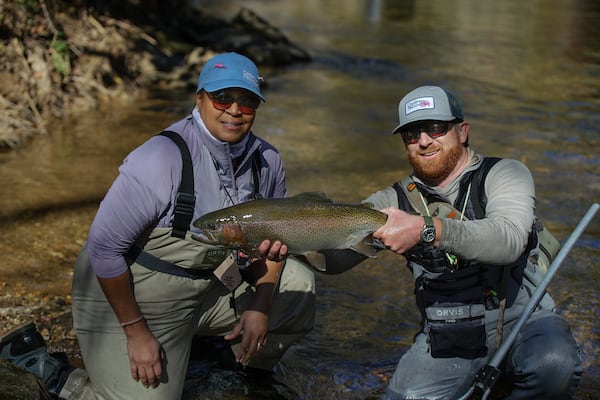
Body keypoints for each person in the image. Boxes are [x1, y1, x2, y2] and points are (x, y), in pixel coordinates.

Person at [1, 52, 316, 400]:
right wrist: (136, 332)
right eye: (222, 97)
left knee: (298, 285)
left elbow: (274, 244)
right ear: (200, 98)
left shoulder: (267, 161)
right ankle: (52, 373)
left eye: (247, 100)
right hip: (138, 294)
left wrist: (260, 306)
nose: (234, 109)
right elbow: (104, 249)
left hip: (206, 286)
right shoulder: (159, 158)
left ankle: (234, 365)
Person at [364, 85, 582, 400]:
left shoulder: (506, 173)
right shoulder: (392, 201)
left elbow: (508, 240)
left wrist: (427, 228)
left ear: (462, 131)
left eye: (436, 128)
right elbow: (339, 249)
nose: (424, 141)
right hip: (447, 333)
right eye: (411, 134)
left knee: (554, 366)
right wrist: (293, 248)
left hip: (525, 320)